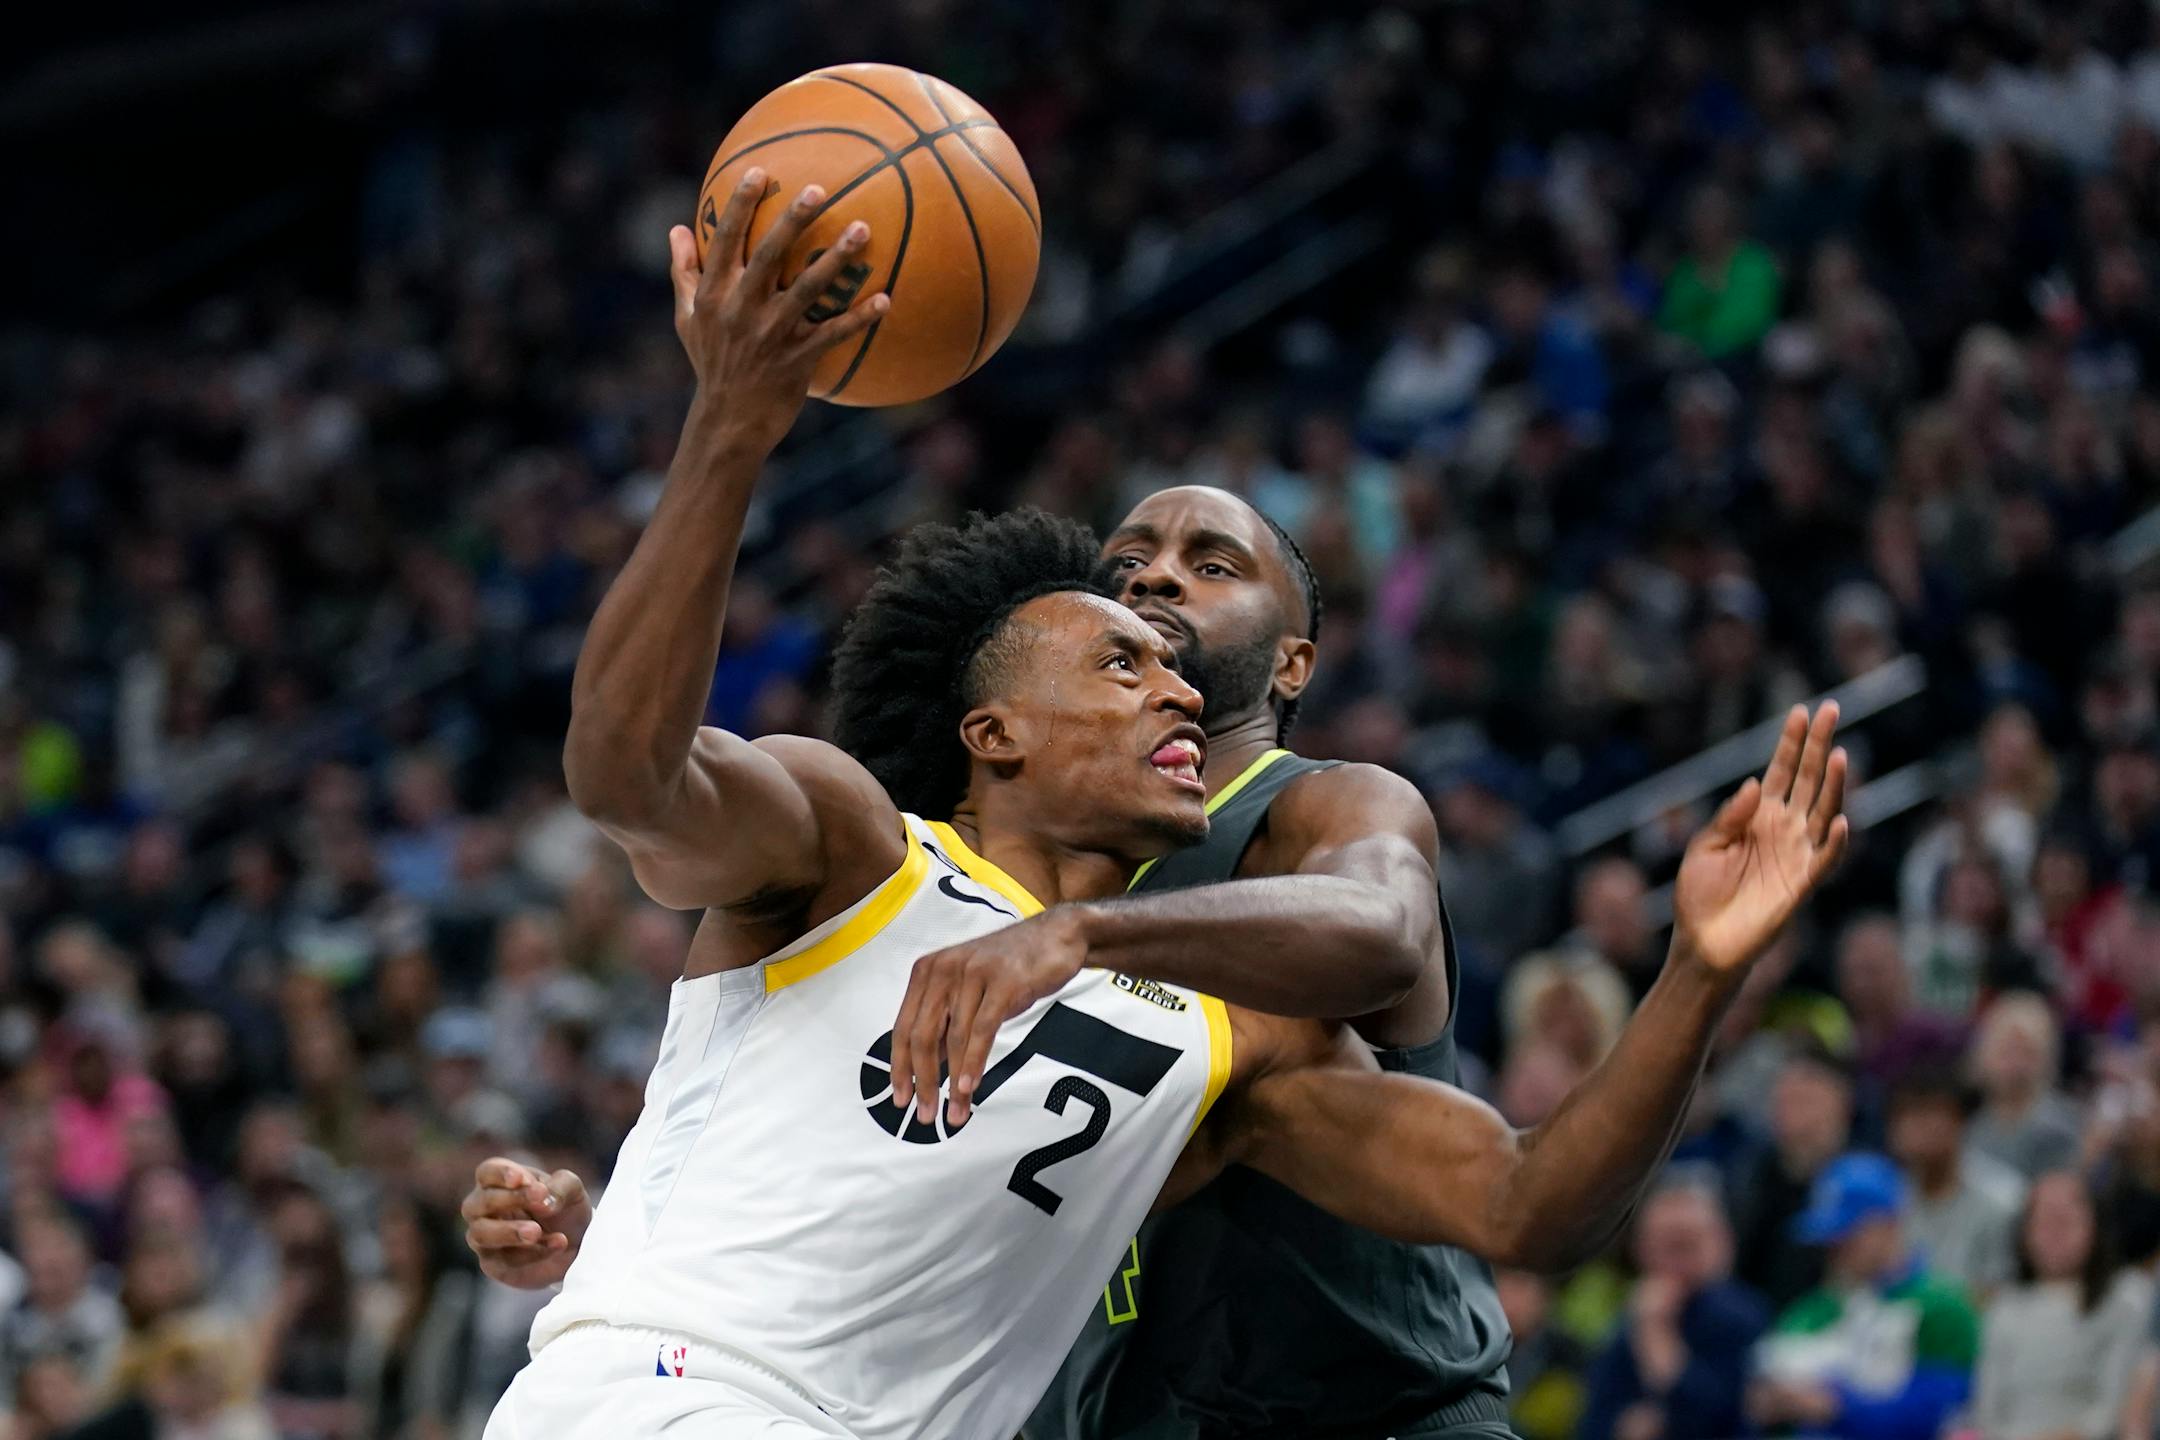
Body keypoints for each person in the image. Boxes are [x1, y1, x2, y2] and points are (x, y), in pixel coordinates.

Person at [461, 172, 1851, 1440]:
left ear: (1292, 667)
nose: (1170, 670)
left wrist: (1696, 970)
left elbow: (1523, 1198)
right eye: (1122, 647)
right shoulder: (855, 848)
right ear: (993, 731)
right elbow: (626, 775)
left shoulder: (1226, 1005)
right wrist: (730, 427)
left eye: (1187, 643)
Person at [1751, 1153, 1980, 1440]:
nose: (1834, 1248)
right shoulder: (1810, 1311)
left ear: (1889, 1224)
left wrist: (1832, 1406)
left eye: (1847, 1234)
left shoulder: (1943, 1307)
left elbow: (1936, 1413)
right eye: (1828, 1237)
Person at [1579, 1174, 1769, 1440]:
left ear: (1721, 1241)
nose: (1676, 1260)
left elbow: (1718, 1416)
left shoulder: (1739, 1314)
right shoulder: (1633, 1313)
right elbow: (1594, 1418)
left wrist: (1656, 1334)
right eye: (1666, 1245)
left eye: (1687, 1244)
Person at [1974, 1172, 2152, 1440]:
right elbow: (1987, 1411)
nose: (2055, 1233)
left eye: (2067, 1221)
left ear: (2096, 1226)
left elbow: (2114, 1410)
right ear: (2024, 1234)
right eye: (2044, 1222)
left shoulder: (2125, 1299)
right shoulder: (2004, 1308)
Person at [1885, 1066, 2023, 1298]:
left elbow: (2003, 1294)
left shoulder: (2003, 1199)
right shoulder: (1886, 1199)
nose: (1917, 1127)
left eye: (1929, 1112)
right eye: (1905, 1115)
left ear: (1959, 1120)